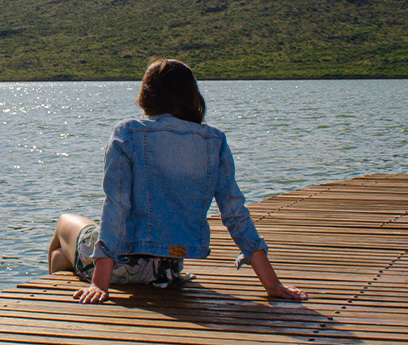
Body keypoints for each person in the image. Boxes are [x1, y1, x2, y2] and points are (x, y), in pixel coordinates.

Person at [48, 58, 307, 304]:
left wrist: (100, 284)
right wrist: (272, 284)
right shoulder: (214, 141)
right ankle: (67, 273)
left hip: (120, 266)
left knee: (63, 225)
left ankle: (63, 300)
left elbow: (117, 207)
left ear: (147, 97)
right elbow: (235, 214)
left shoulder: (128, 133)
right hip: (166, 270)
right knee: (61, 257)